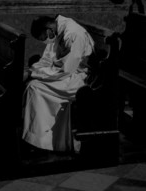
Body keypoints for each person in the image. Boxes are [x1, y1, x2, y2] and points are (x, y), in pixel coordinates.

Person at [22, 15, 95, 152]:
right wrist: (31, 70)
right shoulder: (57, 29)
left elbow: (67, 69)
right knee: (32, 84)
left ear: (48, 30)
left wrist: (33, 73)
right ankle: (37, 138)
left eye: (43, 38)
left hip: (78, 78)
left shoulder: (73, 34)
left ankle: (41, 140)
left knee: (34, 87)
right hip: (63, 74)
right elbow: (47, 59)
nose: (45, 41)